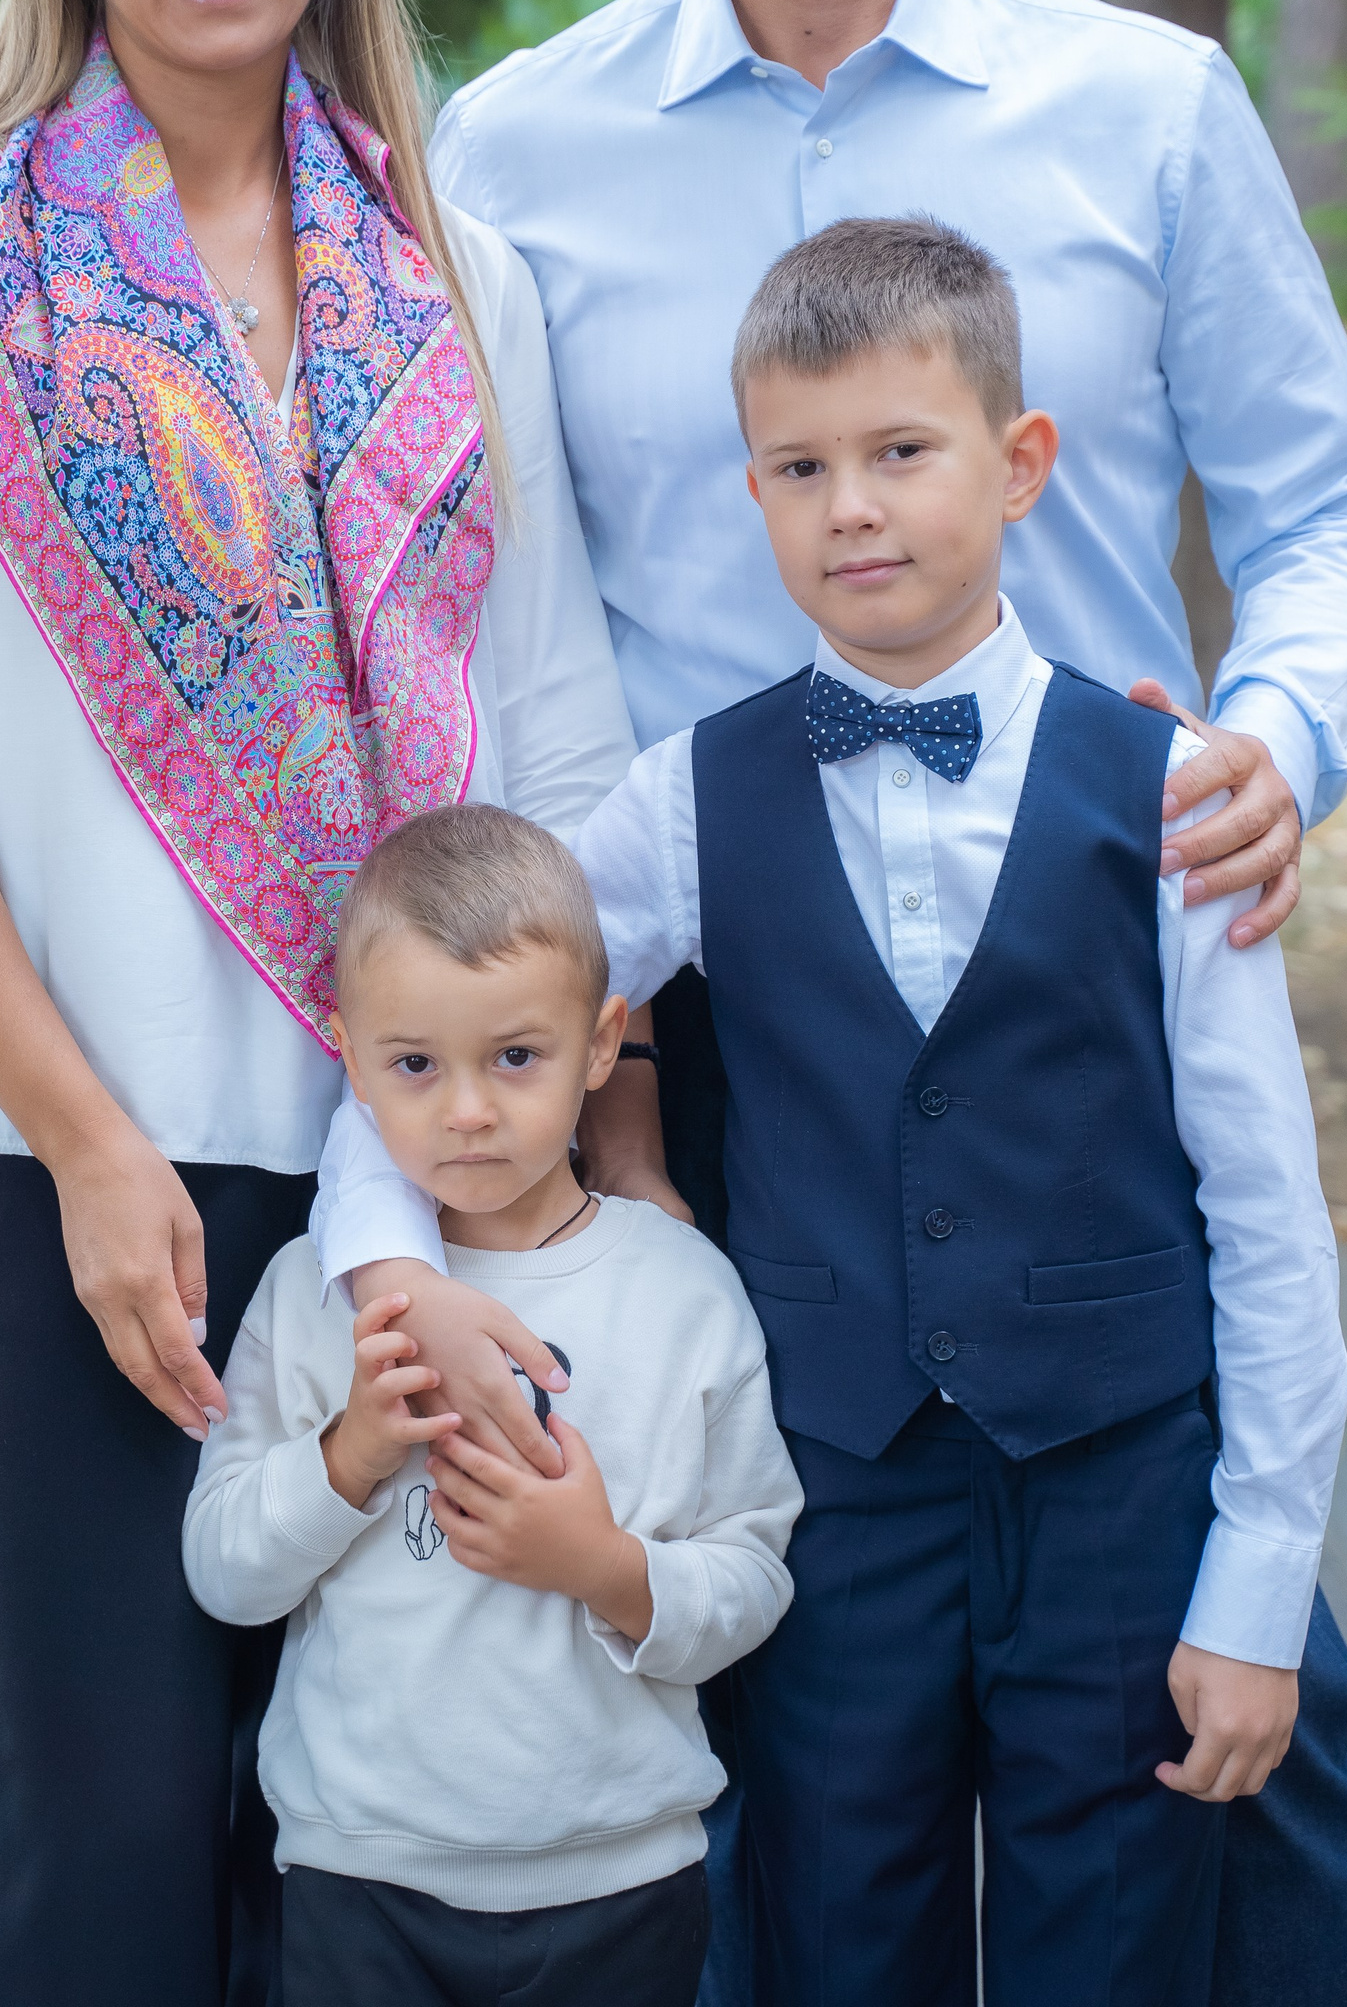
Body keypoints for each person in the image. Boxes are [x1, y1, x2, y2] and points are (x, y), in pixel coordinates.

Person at [312, 0, 1347, 2005]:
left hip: (1101, 974)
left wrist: (1271, 737)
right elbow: (453, 596)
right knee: (799, 1745)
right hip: (705, 1020)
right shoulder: (513, 150)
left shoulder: (1143, 104)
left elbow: (1337, 505)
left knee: (1206, 1769)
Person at [0, 0, 635, 2006]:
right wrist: (81, 1142)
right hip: (87, 1175)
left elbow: (555, 731)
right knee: (119, 1824)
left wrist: (593, 1154)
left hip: (425, 1173)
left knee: (371, 1833)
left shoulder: (456, 272)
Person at [573, 218, 1347, 2003]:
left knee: (1118, 1951)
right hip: (833, 1502)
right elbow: (488, 1010)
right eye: (800, 468)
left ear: (1019, 466)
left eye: (902, 452)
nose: (852, 508)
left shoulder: (1177, 791)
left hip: (1119, 1497)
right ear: (754, 494)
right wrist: (390, 1236)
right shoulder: (684, 798)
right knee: (834, 1941)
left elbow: (1269, 1213)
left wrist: (1256, 1595)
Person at [184, 804, 800, 2007]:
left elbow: (755, 1576)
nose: (467, 1110)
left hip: (620, 1878)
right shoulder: (317, 1295)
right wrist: (350, 1455)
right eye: (415, 1065)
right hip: (360, 1874)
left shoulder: (683, 1290)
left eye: (516, 1057)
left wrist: (605, 1568)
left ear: (601, 1043)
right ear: (350, 1056)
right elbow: (225, 1575)